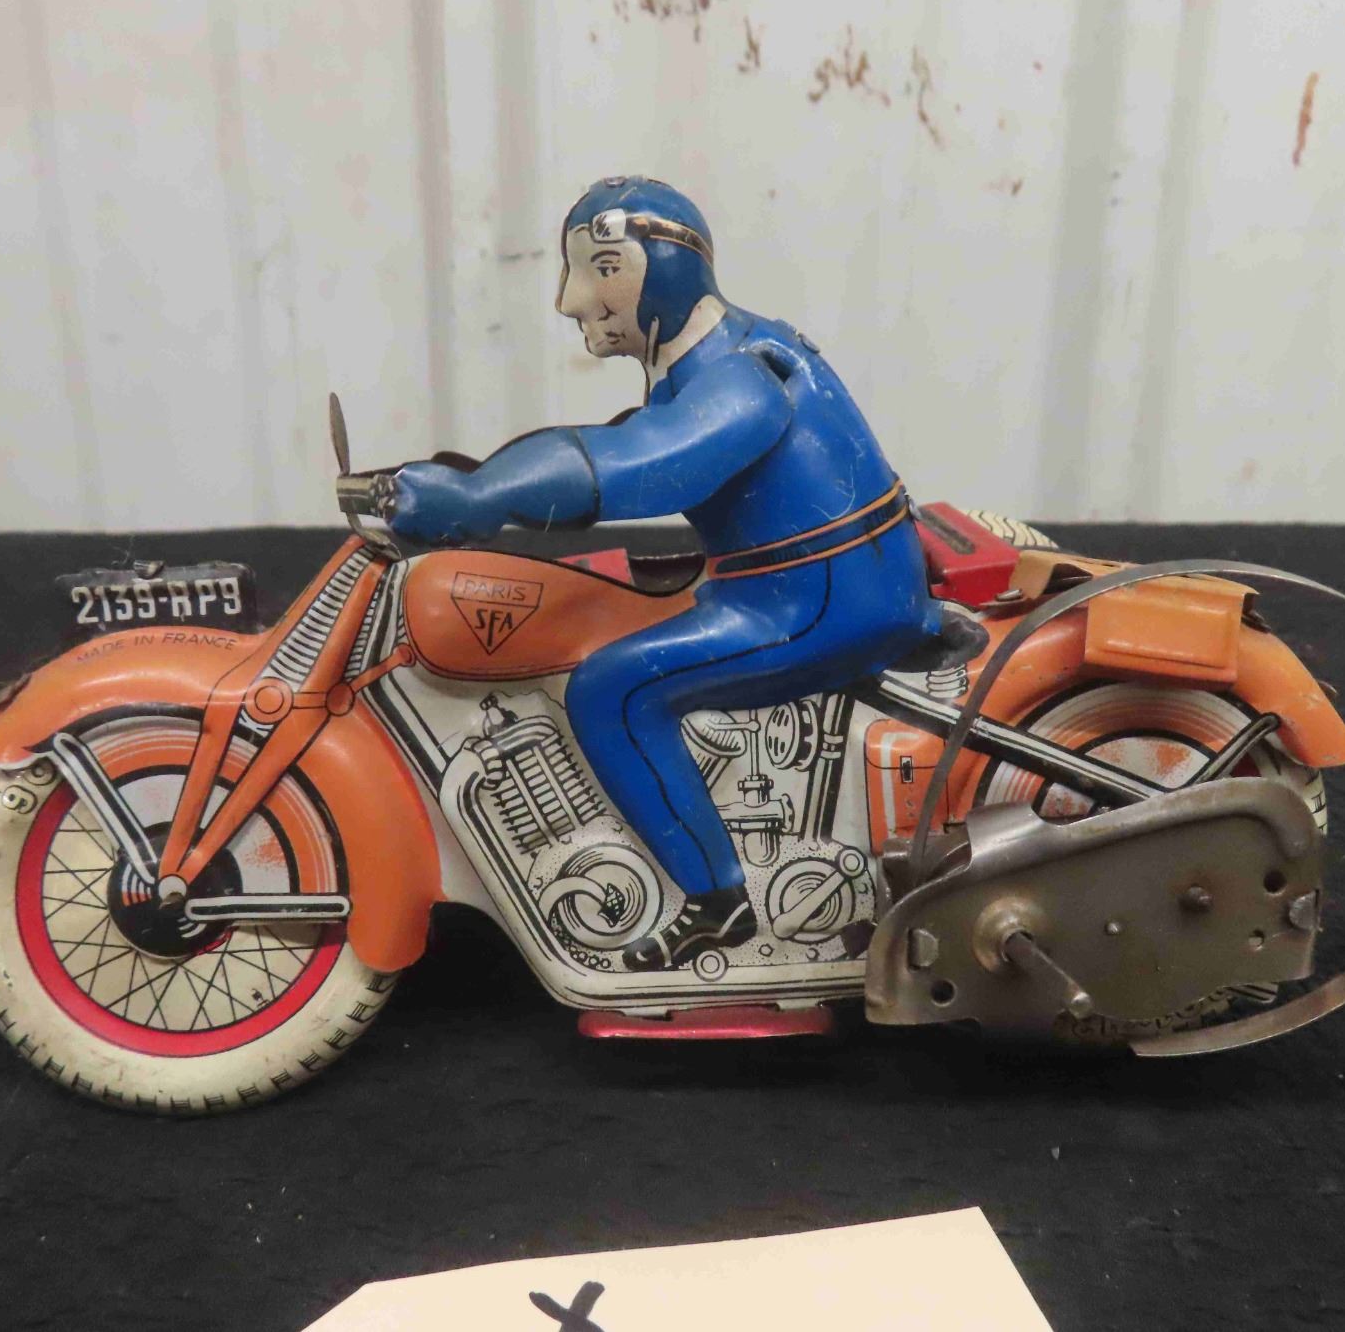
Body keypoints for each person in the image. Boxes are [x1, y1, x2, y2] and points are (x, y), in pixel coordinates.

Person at [387, 176, 937, 972]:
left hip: (823, 600)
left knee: (613, 689)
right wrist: (482, 483)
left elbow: (649, 462)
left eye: (602, 268)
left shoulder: (737, 377)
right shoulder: (707, 357)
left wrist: (481, 497)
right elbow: (628, 437)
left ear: (666, 267)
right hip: (798, 583)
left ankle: (718, 903)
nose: (572, 299)